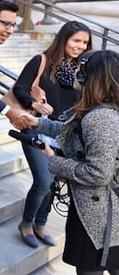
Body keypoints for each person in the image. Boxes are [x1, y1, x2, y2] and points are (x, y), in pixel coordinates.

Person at [15, 50, 119, 275]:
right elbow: (72, 132)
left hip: (98, 219)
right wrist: (39, 123)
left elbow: (98, 173)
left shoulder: (101, 118)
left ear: (90, 77)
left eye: (82, 69)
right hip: (95, 213)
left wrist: (55, 161)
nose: (75, 72)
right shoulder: (98, 111)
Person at [13, 21, 91, 248]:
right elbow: (19, 87)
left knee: (54, 181)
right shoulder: (42, 61)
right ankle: (26, 223)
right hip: (37, 128)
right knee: (43, 181)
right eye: (76, 40)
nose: (80, 46)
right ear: (64, 39)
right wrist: (34, 105)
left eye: (84, 43)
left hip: (63, 134)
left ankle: (41, 223)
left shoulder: (81, 71)